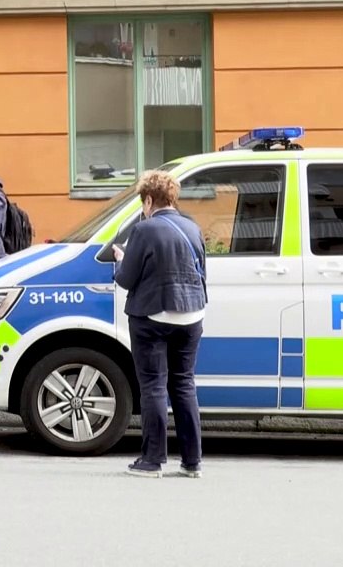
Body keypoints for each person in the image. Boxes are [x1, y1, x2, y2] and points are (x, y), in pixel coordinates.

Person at [113, 170, 207, 479]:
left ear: (149, 200)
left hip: (153, 315)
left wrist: (120, 258)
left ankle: (152, 460)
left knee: (153, 386)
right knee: (183, 384)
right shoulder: (193, 228)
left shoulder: (145, 230)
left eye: (143, 202)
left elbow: (126, 279)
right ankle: (192, 462)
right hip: (192, 315)